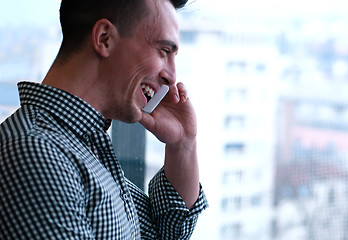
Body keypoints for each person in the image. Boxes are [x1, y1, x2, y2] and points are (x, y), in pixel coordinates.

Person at [0, 0, 207, 239]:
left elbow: (167, 234)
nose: (171, 77)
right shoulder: (36, 154)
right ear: (104, 38)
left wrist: (183, 143)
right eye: (163, 51)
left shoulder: (84, 149)